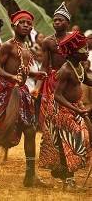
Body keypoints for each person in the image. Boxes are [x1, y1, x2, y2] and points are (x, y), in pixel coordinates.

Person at [0, 10, 48, 187]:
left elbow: (21, 71)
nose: (26, 26)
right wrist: (12, 77)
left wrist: (34, 74)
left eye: (29, 24)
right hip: (7, 91)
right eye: (22, 22)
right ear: (14, 25)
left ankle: (30, 176)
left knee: (30, 131)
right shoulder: (8, 45)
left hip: (21, 92)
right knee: (4, 131)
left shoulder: (26, 48)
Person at [49, 31, 91, 191]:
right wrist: (75, 109)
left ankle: (64, 172)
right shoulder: (66, 70)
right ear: (73, 53)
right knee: (71, 145)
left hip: (77, 108)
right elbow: (57, 96)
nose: (86, 51)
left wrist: (78, 109)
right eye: (83, 49)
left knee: (85, 140)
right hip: (64, 111)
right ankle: (69, 180)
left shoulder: (79, 66)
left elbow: (87, 81)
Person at [33, 2, 72, 169]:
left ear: (67, 23)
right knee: (50, 123)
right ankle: (53, 159)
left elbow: (80, 63)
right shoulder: (48, 42)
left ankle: (70, 156)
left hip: (70, 82)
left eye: (60, 20)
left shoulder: (73, 39)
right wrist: (38, 85)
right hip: (52, 82)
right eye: (55, 20)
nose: (57, 22)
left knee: (68, 119)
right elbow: (44, 66)